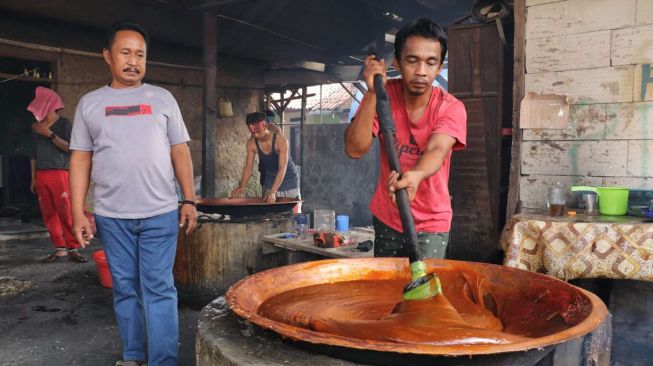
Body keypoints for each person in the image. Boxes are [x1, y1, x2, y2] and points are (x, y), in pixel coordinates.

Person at [69, 20, 197, 366]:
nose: (133, 61)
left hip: (159, 213)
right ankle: (133, 356)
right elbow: (81, 158)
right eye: (125, 52)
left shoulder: (162, 98)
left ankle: (163, 360)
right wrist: (78, 211)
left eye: (140, 54)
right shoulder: (90, 104)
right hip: (112, 216)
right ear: (107, 56)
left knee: (158, 289)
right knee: (125, 289)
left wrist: (188, 199)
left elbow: (180, 151)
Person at [344, 18, 467, 259]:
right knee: (389, 291)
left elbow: (437, 149)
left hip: (432, 222)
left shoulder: (450, 107)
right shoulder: (382, 96)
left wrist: (416, 175)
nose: (421, 71)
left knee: (423, 293)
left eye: (431, 62)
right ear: (397, 63)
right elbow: (354, 149)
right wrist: (371, 92)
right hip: (388, 217)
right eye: (412, 60)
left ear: (440, 66)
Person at [27, 86, 87, 263]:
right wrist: (33, 178)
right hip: (41, 175)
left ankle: (73, 247)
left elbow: (70, 148)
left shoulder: (65, 124)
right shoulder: (36, 128)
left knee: (67, 212)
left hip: (61, 173)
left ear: (51, 106)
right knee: (49, 213)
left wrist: (49, 134)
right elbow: (33, 154)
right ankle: (60, 249)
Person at [231, 112, 300, 203]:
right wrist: (242, 186)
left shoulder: (281, 141)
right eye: (252, 132)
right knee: (269, 214)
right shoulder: (252, 144)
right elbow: (248, 166)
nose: (255, 135)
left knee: (291, 214)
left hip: (289, 181)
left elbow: (282, 168)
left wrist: (273, 191)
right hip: (270, 181)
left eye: (258, 132)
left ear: (265, 127)